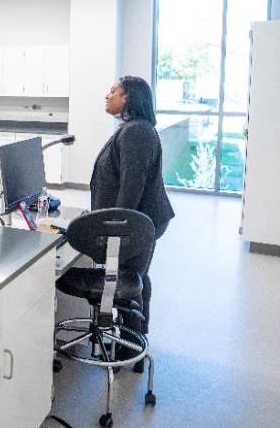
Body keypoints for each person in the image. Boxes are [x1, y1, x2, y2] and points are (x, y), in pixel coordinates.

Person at [90, 76, 175, 364]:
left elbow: (131, 187)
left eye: (113, 91)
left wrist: (116, 230)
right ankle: (136, 345)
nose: (108, 95)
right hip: (141, 221)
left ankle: (129, 352)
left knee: (128, 282)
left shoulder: (136, 133)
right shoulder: (133, 129)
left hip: (138, 223)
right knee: (137, 277)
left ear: (128, 98)